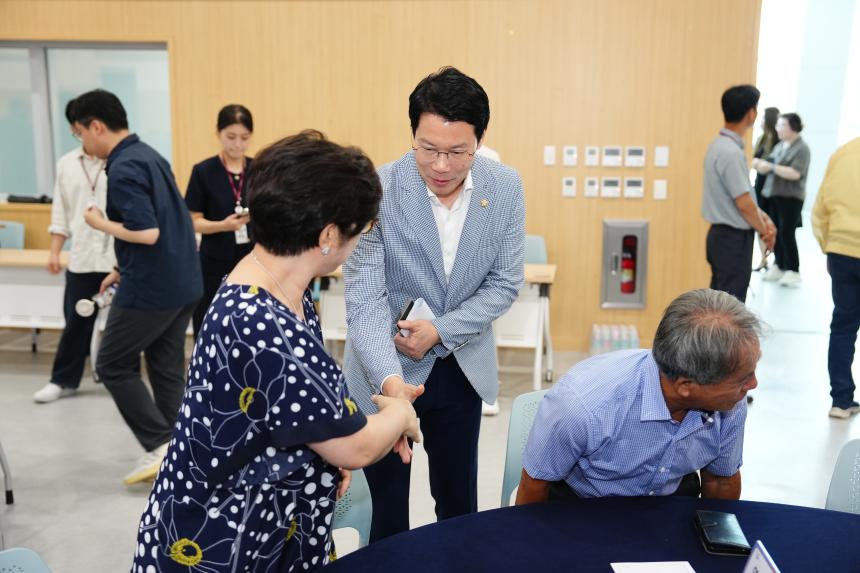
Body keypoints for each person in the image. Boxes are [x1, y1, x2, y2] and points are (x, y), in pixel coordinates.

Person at [131, 130, 421, 573]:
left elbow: (292, 409)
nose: (357, 242)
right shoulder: (262, 320)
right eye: (357, 231)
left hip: (271, 519)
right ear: (327, 235)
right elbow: (357, 448)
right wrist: (398, 412)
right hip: (221, 541)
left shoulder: (281, 284)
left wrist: (325, 447)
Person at [343, 66, 525, 542]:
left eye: (457, 151)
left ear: (479, 142)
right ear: (412, 136)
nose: (441, 165)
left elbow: (505, 283)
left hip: (459, 365)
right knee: (386, 510)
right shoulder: (378, 189)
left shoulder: (504, 188)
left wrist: (441, 330)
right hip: (383, 370)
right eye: (429, 149)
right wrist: (391, 383)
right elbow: (364, 299)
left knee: (459, 503)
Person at [516, 288, 762, 504]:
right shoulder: (581, 407)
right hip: (585, 506)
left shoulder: (729, 402)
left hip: (670, 502)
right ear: (686, 385)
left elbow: (720, 482)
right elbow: (535, 487)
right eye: (742, 380)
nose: (753, 384)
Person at [76, 88, 203, 484]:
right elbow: (167, 221)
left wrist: (99, 224)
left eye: (79, 133)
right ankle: (183, 452)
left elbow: (146, 231)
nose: (81, 142)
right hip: (183, 281)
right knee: (166, 369)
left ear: (97, 126)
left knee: (111, 363)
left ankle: (160, 444)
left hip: (152, 288)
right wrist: (119, 264)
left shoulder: (125, 166)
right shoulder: (148, 154)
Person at [32, 99, 116, 403]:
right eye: (75, 131)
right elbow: (61, 211)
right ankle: (63, 380)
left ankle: (118, 378)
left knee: (121, 324)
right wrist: (55, 251)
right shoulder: (67, 163)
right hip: (82, 257)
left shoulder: (118, 159)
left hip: (116, 259)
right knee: (76, 322)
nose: (80, 135)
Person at [702, 84, 776, 303]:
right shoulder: (730, 152)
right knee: (729, 311)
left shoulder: (719, 146)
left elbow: (744, 198)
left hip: (722, 238)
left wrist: (764, 218)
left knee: (720, 306)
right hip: (731, 241)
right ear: (751, 113)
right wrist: (765, 230)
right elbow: (743, 203)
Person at [185, 104, 255, 337]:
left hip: (253, 260)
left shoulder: (259, 169)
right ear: (218, 134)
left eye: (244, 138)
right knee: (211, 322)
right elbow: (192, 221)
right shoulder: (204, 171)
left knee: (249, 323)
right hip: (214, 262)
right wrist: (223, 226)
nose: (238, 144)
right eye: (231, 137)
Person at [812, 137, 860, 419]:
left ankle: (841, 401)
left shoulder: (843, 153)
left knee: (843, 326)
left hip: (841, 250)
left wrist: (828, 246)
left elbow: (820, 207)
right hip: (841, 248)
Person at [753, 113, 811, 287]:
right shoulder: (781, 146)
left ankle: (793, 269)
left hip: (791, 198)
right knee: (776, 231)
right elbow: (770, 163)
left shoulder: (802, 148)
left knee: (787, 232)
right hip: (775, 195)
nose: (778, 128)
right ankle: (779, 265)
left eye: (782, 125)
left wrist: (771, 167)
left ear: (792, 127)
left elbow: (795, 173)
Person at [752, 106, 780, 271]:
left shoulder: (779, 141)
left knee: (772, 225)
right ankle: (764, 259)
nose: (760, 121)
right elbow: (754, 160)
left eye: (763, 118)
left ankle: (774, 259)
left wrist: (761, 164)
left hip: (773, 188)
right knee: (760, 223)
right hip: (759, 184)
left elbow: (767, 165)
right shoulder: (762, 138)